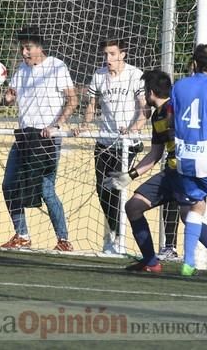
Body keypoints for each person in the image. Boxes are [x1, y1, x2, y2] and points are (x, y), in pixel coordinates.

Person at [1, 26, 77, 251]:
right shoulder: (21, 70)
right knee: (8, 185)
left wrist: (56, 125)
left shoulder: (56, 66)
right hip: (24, 137)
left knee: (46, 190)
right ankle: (22, 234)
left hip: (46, 139)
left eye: (29, 48)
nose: (24, 52)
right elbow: (9, 99)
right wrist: (6, 96)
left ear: (39, 47)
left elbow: (72, 101)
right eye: (22, 48)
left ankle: (63, 239)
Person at [75, 39, 149, 254]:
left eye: (112, 54)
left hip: (127, 144)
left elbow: (144, 109)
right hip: (104, 142)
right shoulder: (98, 75)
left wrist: (133, 129)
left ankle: (120, 240)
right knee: (102, 190)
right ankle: (114, 234)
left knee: (117, 188)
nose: (108, 59)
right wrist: (85, 124)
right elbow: (91, 105)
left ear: (122, 55)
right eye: (105, 54)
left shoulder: (135, 75)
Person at [104, 70, 177, 273]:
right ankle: (151, 262)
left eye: (145, 90)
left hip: (191, 174)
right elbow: (155, 154)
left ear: (151, 92)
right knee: (133, 207)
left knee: (193, 216)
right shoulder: (157, 116)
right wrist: (129, 175)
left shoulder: (179, 108)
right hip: (170, 176)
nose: (144, 95)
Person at [168, 44, 207, 276]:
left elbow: (171, 120)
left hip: (185, 156)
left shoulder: (179, 86)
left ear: (194, 64)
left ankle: (188, 262)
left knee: (196, 205)